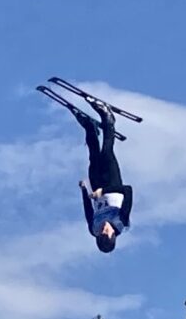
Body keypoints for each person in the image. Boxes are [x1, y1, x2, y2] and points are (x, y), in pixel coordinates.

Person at [41, 80, 134, 254]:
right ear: (113, 235)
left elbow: (88, 210)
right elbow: (128, 190)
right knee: (106, 151)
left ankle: (89, 127)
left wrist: (84, 190)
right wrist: (106, 190)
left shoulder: (94, 228)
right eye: (106, 232)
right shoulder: (122, 220)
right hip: (111, 182)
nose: (103, 228)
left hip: (96, 184)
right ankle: (108, 119)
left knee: (92, 153)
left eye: (101, 232)